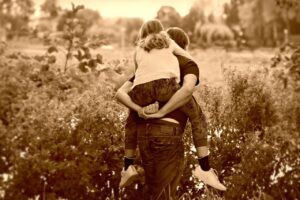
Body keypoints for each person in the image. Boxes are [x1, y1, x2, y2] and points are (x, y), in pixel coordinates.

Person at [116, 24, 226, 198]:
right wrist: (163, 110)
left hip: (143, 133)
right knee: (164, 195)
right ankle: (204, 167)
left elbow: (123, 92)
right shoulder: (186, 64)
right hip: (167, 134)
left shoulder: (146, 62)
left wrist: (140, 109)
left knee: (153, 192)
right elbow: (188, 88)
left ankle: (127, 165)